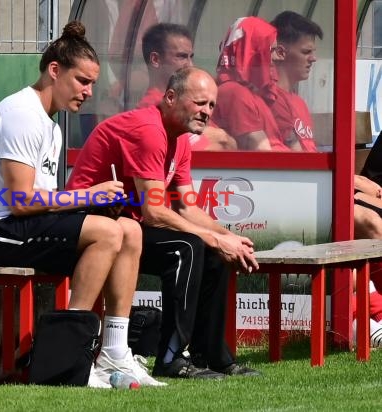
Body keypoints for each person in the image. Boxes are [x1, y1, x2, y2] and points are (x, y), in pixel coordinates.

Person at [0, 21, 164, 389]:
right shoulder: (22, 112)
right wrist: (90, 196)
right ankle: (68, 357)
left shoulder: (50, 125)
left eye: (93, 84)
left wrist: (98, 206)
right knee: (105, 232)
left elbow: (48, 204)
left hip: (20, 226)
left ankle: (114, 352)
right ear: (55, 71)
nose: (88, 92)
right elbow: (20, 202)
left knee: (128, 230)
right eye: (82, 81)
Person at [67, 66, 261, 379]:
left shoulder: (181, 139)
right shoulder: (149, 129)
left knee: (214, 252)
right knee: (187, 247)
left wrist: (229, 238)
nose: (206, 112)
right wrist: (212, 238)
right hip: (88, 225)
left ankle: (211, 355)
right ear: (170, 97)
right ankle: (171, 358)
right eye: (200, 103)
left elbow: (188, 208)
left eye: (212, 105)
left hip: (126, 227)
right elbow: (154, 212)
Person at [269, 10, 382, 345]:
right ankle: (373, 317)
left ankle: (372, 314)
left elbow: (307, 160)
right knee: (368, 221)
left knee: (367, 214)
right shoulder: (269, 100)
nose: (314, 58)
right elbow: (283, 165)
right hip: (288, 203)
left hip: (315, 194)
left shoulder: (296, 103)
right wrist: (352, 184)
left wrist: (354, 183)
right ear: (280, 51)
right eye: (306, 51)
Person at [139, 22, 236, 150]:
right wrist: (221, 138)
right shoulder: (153, 107)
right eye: (181, 57)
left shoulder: (186, 102)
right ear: (156, 60)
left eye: (191, 57)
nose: (190, 65)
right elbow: (206, 149)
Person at [211, 17, 289, 151]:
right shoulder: (234, 92)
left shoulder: (249, 92)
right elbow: (261, 151)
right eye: (270, 50)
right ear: (251, 53)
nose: (277, 58)